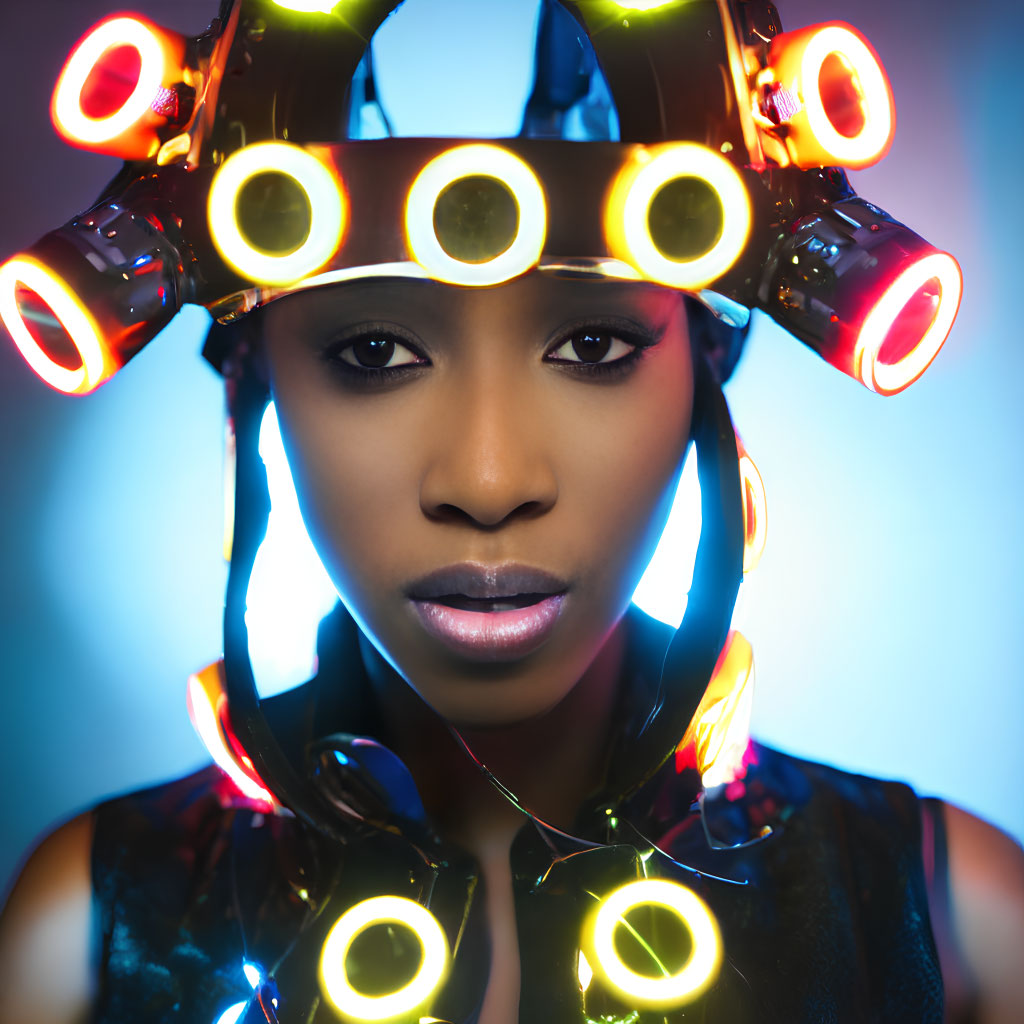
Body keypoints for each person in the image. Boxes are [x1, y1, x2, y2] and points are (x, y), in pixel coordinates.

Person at [0, 1, 1022, 1022]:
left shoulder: (952, 919)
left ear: (706, 378)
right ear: (256, 395)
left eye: (590, 347)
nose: (488, 482)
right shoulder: (88, 932)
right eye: (373, 352)